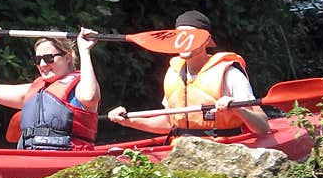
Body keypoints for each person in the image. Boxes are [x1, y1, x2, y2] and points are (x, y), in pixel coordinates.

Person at [107, 10, 270, 137]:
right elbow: (169, 123)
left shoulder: (230, 74)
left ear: (206, 40)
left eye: (192, 37)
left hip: (223, 149)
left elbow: (262, 127)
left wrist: (237, 108)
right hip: (182, 148)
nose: (184, 42)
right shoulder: (174, 73)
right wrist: (128, 121)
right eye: (180, 36)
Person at [0, 23, 101, 150]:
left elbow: (90, 97)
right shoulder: (33, 90)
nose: (42, 64)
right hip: (30, 158)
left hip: (69, 158)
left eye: (48, 58)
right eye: (38, 59)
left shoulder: (81, 87)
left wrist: (85, 51)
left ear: (67, 57)